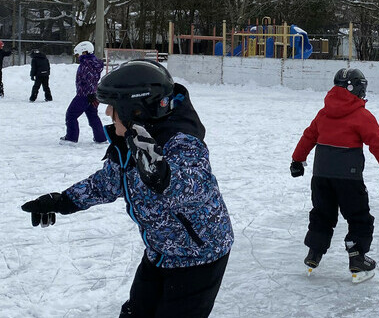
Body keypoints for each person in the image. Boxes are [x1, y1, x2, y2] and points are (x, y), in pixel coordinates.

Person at [21, 60, 233, 317]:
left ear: (136, 110)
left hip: (199, 256)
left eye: (114, 107)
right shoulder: (132, 142)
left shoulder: (181, 141)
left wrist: (162, 176)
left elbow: (193, 185)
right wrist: (62, 201)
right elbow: (107, 182)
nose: (108, 112)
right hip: (160, 251)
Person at [290, 68, 379, 284]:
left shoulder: (323, 113)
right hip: (349, 178)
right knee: (359, 217)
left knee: (322, 213)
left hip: (321, 176)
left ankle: (314, 253)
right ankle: (357, 258)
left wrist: (297, 160)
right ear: (357, 88)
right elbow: (378, 143)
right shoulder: (361, 115)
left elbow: (308, 136)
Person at [61, 41, 105, 143]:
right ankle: (101, 138)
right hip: (92, 94)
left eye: (78, 54)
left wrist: (89, 94)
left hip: (84, 95)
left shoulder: (87, 63)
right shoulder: (93, 63)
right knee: (93, 116)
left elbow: (89, 79)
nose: (77, 56)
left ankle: (71, 138)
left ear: (84, 52)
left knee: (71, 115)